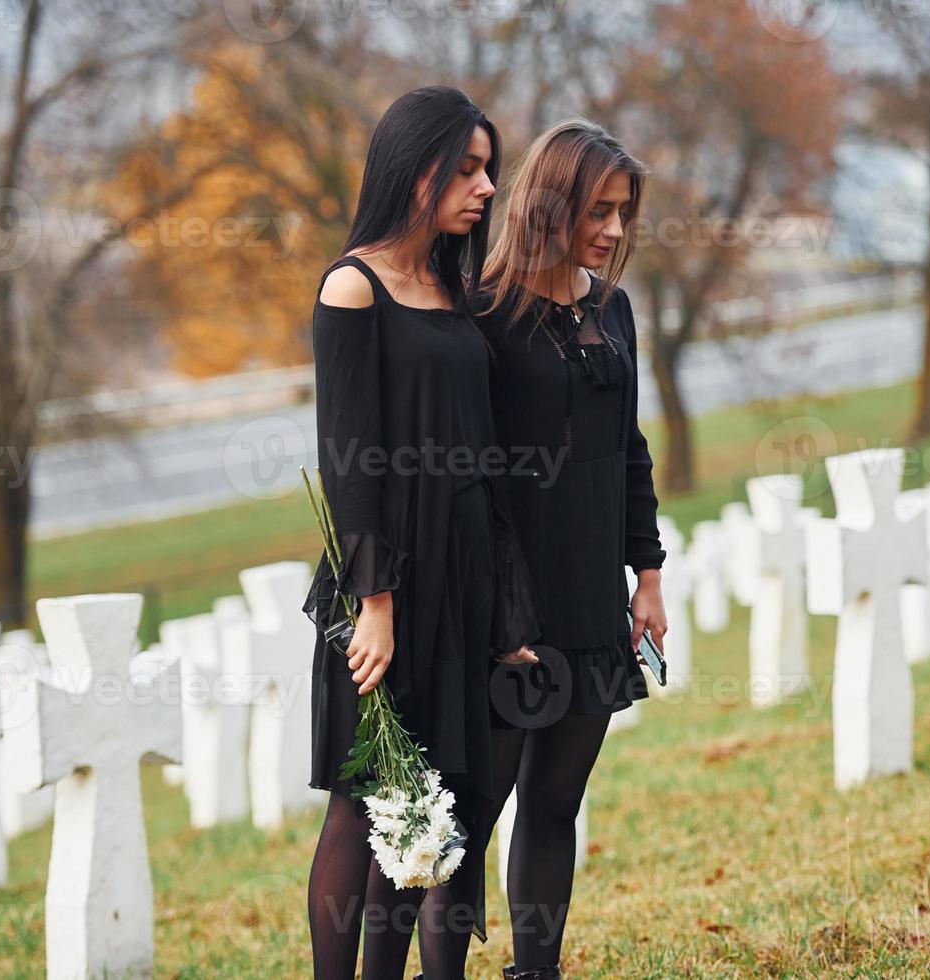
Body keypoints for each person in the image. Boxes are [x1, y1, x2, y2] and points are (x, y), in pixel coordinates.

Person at [303, 85, 541, 980]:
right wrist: (375, 603)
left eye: (490, 169)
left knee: (429, 814)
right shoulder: (351, 287)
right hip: (387, 584)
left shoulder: (453, 287)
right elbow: (349, 459)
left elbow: (487, 453)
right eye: (469, 168)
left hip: (465, 577)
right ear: (417, 166)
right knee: (369, 804)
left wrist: (507, 606)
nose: (486, 188)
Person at [472, 119, 668, 980]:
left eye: (622, 212)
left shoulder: (612, 307)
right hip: (512, 601)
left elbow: (629, 448)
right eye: (599, 209)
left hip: (592, 590)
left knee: (557, 800)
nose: (614, 230)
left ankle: (535, 971)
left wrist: (648, 575)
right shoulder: (481, 313)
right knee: (479, 808)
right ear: (550, 202)